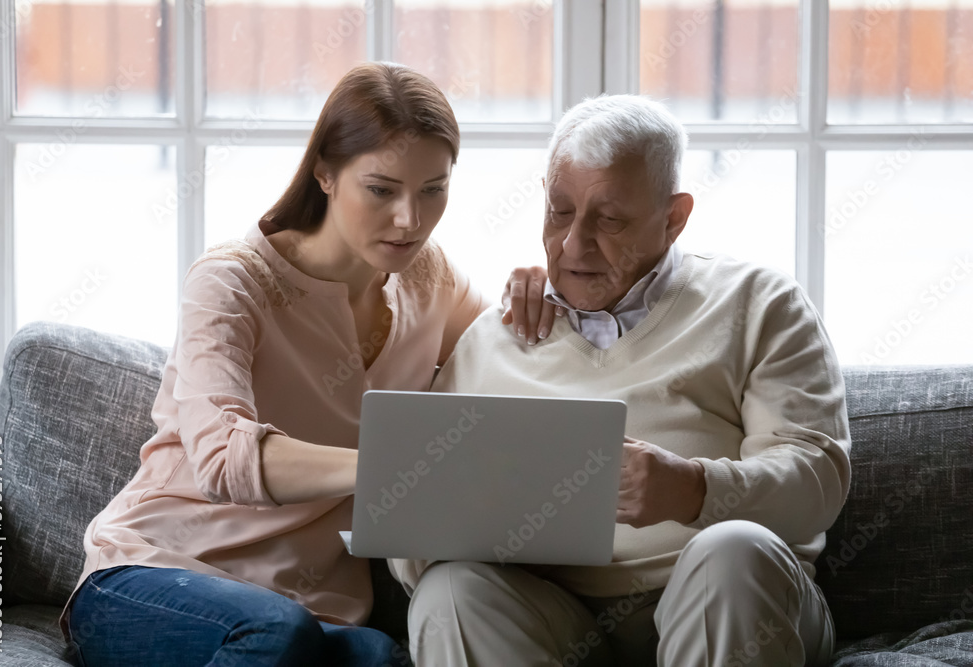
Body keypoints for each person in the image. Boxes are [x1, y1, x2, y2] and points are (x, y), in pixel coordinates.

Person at [60, 62, 555, 666]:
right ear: (324, 171)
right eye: (381, 189)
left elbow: (509, 364)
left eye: (433, 189)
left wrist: (535, 293)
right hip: (153, 576)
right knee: (275, 633)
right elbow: (221, 456)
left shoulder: (431, 279)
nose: (411, 219)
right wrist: (390, 464)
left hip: (317, 611)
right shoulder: (233, 283)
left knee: (381, 658)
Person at [391, 95, 852, 667]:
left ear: (674, 217)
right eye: (560, 212)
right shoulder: (496, 335)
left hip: (733, 598)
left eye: (609, 220)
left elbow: (817, 482)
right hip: (557, 617)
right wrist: (459, 535)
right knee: (450, 592)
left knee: (731, 550)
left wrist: (693, 488)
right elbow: (409, 531)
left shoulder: (758, 304)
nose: (573, 244)